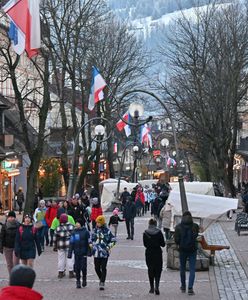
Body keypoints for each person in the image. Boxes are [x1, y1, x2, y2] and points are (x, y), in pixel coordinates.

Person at [174, 211, 199, 296]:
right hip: (192, 250)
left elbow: (176, 240)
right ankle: (190, 288)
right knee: (192, 269)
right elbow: (196, 235)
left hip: (182, 250)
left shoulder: (178, 227)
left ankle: (183, 286)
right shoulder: (195, 226)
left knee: (182, 268)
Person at [92, 215, 116, 290]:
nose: (97, 224)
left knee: (103, 267)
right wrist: (92, 245)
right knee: (96, 268)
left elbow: (113, 240)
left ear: (102, 223)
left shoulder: (107, 231)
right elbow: (91, 239)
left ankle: (102, 282)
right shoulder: (94, 230)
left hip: (104, 253)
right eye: (96, 222)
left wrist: (108, 247)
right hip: (96, 253)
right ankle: (101, 278)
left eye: (98, 222)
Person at [143, 218, 165, 295]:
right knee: (158, 269)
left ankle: (151, 287)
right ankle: (157, 286)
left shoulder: (145, 232)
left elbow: (145, 244)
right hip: (157, 252)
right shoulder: (159, 232)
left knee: (150, 269)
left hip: (149, 252)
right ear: (155, 224)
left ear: (149, 224)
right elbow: (163, 244)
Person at [68, 218, 92, 288]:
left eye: (78, 223)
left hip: (84, 253)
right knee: (77, 268)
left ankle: (84, 279)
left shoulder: (86, 232)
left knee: (83, 267)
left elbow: (89, 242)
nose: (76, 224)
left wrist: (89, 251)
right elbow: (71, 243)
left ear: (81, 224)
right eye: (76, 223)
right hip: (76, 253)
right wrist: (70, 252)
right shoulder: (74, 232)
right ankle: (78, 281)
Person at [53, 213, 75, 278]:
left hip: (60, 245)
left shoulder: (58, 228)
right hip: (69, 245)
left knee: (60, 259)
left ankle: (60, 272)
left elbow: (55, 238)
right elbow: (74, 236)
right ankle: (71, 272)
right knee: (70, 258)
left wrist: (55, 246)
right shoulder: (71, 226)